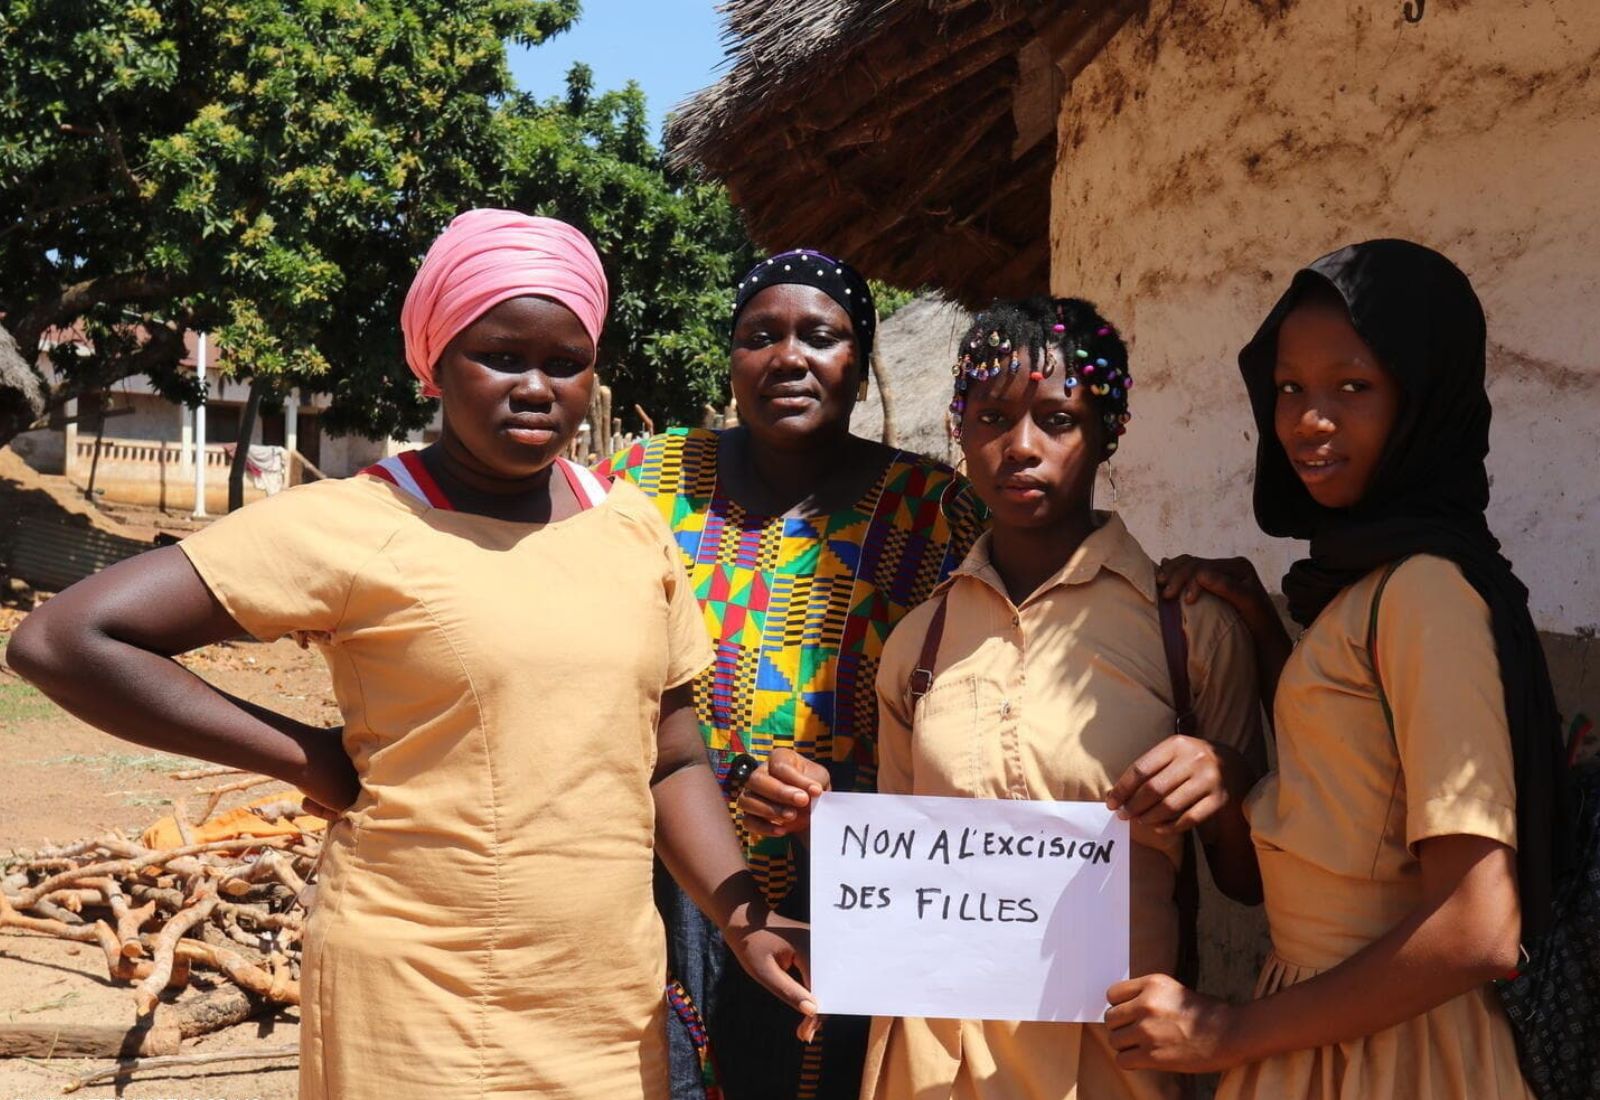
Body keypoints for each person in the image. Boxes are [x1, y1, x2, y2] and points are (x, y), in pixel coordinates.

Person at [6, 209, 815, 1100]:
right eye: (499, 356)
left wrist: (744, 918)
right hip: (420, 993)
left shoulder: (629, 527)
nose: (536, 387)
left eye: (565, 362)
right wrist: (308, 757)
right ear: (435, 360)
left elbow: (673, 756)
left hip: (605, 1001)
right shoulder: (358, 524)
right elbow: (65, 639)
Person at [743, 297, 1265, 1100]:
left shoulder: (1188, 631)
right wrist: (818, 820)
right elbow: (906, 868)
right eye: (992, 417)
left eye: (1057, 420)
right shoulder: (919, 644)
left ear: (1109, 432)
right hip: (931, 1069)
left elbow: (1248, 881)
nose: (1021, 446)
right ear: (959, 429)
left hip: (1111, 1068)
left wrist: (1223, 778)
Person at [1104, 240, 1573, 1099]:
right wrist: (1263, 634)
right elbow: (1352, 795)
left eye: (1353, 387)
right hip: (1334, 1033)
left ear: (1422, 397)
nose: (1308, 422)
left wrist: (1225, 1031)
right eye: (1290, 389)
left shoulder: (1425, 593)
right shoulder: (1369, 587)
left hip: (1397, 1055)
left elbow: (1478, 926)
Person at [597, 249, 986, 1100]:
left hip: (853, 859)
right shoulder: (643, 483)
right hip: (663, 852)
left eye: (820, 336)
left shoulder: (934, 510)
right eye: (759, 336)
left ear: (860, 361)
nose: (788, 357)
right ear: (732, 359)